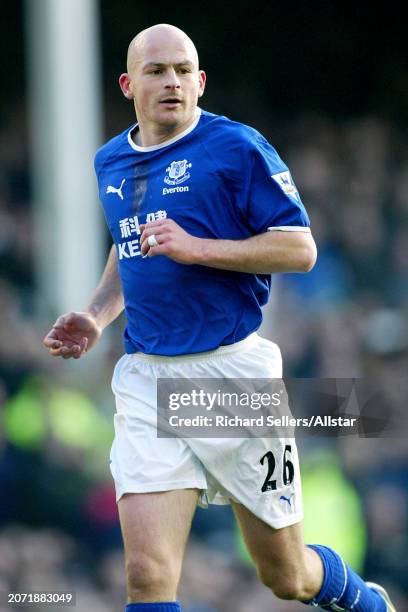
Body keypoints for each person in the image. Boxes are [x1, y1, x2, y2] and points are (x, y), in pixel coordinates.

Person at [43, 23, 396, 612]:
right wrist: (99, 313)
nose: (172, 81)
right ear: (130, 85)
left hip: (232, 378)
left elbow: (299, 248)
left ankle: (364, 600)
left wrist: (198, 247)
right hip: (149, 379)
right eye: (157, 71)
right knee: (147, 575)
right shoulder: (110, 161)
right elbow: (128, 241)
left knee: (286, 576)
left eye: (184, 70)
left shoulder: (236, 148)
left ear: (201, 81)